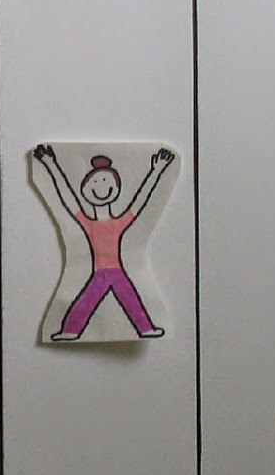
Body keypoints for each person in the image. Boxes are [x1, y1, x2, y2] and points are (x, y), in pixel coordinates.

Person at [33, 144, 175, 341]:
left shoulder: (119, 223)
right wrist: (51, 164)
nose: (101, 187)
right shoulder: (87, 222)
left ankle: (144, 329)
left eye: (106, 182)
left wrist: (157, 170)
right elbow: (67, 197)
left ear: (115, 188)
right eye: (95, 182)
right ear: (85, 190)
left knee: (130, 301)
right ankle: (70, 331)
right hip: (100, 273)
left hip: (116, 272)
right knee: (87, 303)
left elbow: (141, 200)